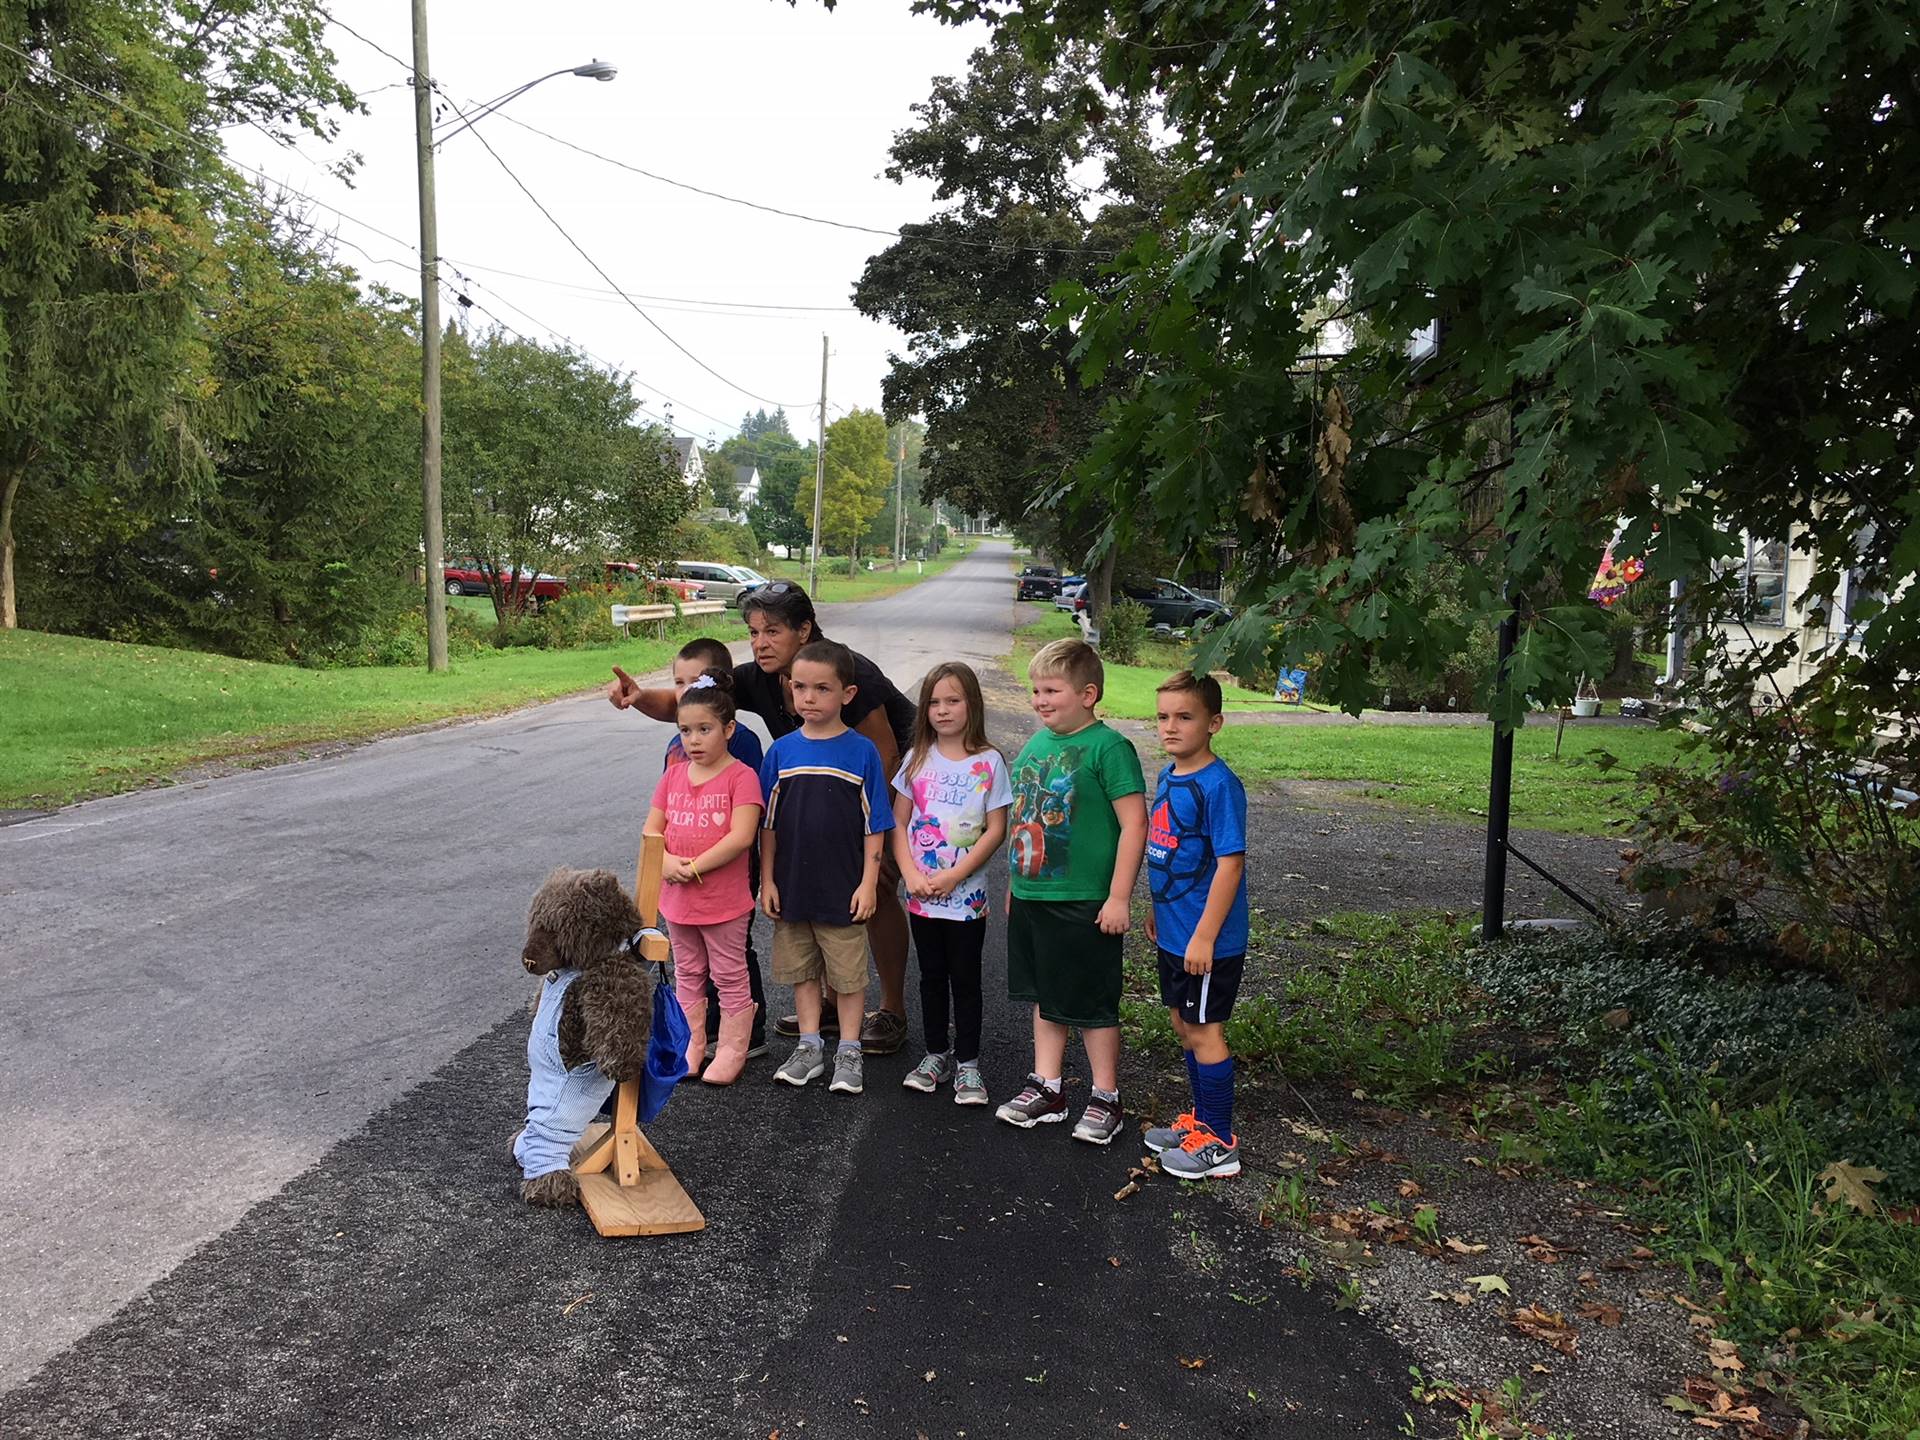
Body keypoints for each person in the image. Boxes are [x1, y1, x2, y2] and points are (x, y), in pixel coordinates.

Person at [607, 582, 917, 1055]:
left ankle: (892, 1010)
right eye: (753, 632)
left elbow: (886, 750)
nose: (759, 644)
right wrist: (638, 695)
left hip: (902, 783)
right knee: (820, 892)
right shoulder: (761, 677)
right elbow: (692, 702)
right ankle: (830, 1007)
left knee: (875, 889)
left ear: (804, 630)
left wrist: (881, 833)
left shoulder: (845, 673)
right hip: (823, 791)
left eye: (772, 631)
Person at [994, 637, 1147, 1145]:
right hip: (1034, 896)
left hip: (1085, 900)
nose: (1040, 700)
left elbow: (1134, 825)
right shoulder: (1037, 746)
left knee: (1091, 1002)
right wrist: (1017, 885)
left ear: (1088, 693)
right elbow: (1025, 819)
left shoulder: (1110, 748)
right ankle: (1049, 1086)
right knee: (1044, 995)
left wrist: (1119, 896)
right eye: (1036, 689)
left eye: (1052, 690)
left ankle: (1106, 1096)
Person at [758, 639, 895, 1095]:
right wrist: (767, 880)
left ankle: (850, 1051)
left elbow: (875, 824)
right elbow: (769, 825)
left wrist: (869, 883)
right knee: (802, 971)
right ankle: (810, 1047)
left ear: (847, 695)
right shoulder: (780, 753)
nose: (809, 698)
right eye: (800, 687)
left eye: (822, 688)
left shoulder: (862, 753)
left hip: (844, 887)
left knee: (848, 975)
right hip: (794, 886)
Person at [1140, 671, 1249, 1179]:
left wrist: (1205, 934)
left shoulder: (1219, 785)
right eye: (1163, 717)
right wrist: (1155, 908)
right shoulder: (1169, 775)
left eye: (1185, 717)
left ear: (1214, 723)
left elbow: (1230, 865)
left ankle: (1220, 1143)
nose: (1171, 726)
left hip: (1208, 941)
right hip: (1175, 932)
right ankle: (1200, 1124)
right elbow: (1168, 850)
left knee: (1205, 1032)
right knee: (1183, 1027)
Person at [889, 662, 1011, 1106]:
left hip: (966, 900)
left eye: (952, 700)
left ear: (971, 705)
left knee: (966, 978)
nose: (942, 710)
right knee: (930, 977)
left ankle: (969, 1065)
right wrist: (910, 873)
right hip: (922, 896)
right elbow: (898, 823)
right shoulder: (916, 759)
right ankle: (935, 1054)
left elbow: (996, 829)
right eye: (934, 702)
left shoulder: (989, 762)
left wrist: (956, 875)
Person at [644, 668, 765, 1086]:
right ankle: (691, 1045)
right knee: (687, 971)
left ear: (728, 729)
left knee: (728, 973)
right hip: (678, 899)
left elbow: (742, 836)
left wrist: (692, 867)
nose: (692, 740)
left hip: (723, 901)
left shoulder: (741, 777)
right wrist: (665, 864)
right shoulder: (673, 775)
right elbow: (651, 830)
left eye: (704, 729)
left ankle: (732, 1048)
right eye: (685, 731)